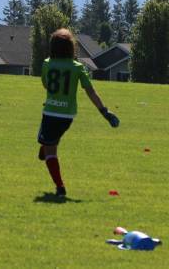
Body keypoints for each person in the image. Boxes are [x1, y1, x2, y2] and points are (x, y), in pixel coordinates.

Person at [37, 28, 119, 197]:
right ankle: (45, 146)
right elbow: (90, 91)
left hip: (51, 112)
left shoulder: (46, 63)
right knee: (51, 141)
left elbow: (46, 85)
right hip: (68, 116)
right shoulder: (78, 67)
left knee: (50, 151)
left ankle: (60, 187)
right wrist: (104, 111)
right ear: (71, 48)